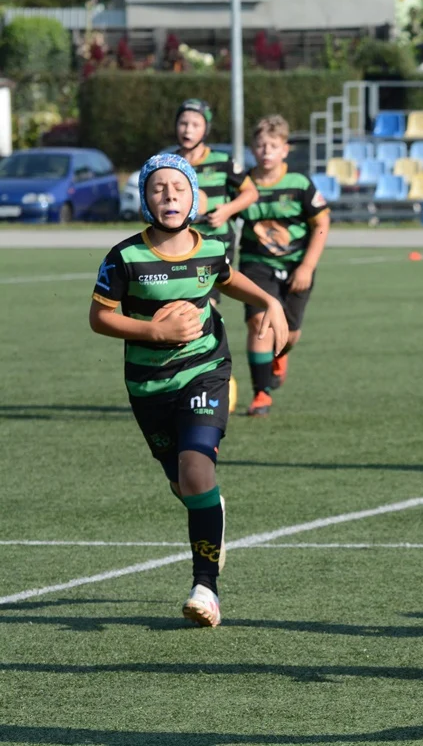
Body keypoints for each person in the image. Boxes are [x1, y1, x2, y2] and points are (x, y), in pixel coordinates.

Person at [88, 153, 287, 626]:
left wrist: (267, 300)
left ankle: (206, 588)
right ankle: (210, 513)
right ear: (145, 198)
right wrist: (153, 333)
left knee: (196, 468)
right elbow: (99, 318)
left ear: (194, 196)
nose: (169, 195)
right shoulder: (125, 257)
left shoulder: (210, 249)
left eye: (178, 187)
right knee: (183, 484)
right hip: (147, 385)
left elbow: (228, 280)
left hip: (206, 372)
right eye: (158, 188)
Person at [239, 115, 331, 417]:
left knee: (288, 335)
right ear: (253, 148)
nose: (266, 150)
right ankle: (261, 395)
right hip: (256, 264)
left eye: (273, 145)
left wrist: (307, 266)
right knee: (260, 322)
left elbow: (321, 222)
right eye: (261, 145)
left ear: (285, 150)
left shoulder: (300, 184)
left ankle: (279, 356)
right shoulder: (243, 184)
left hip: (296, 267)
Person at [174, 98, 259, 260]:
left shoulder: (222, 162)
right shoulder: (169, 164)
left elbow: (251, 193)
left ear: (206, 129)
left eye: (195, 125)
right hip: (180, 246)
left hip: (218, 244)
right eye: (183, 123)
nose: (187, 130)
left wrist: (227, 210)